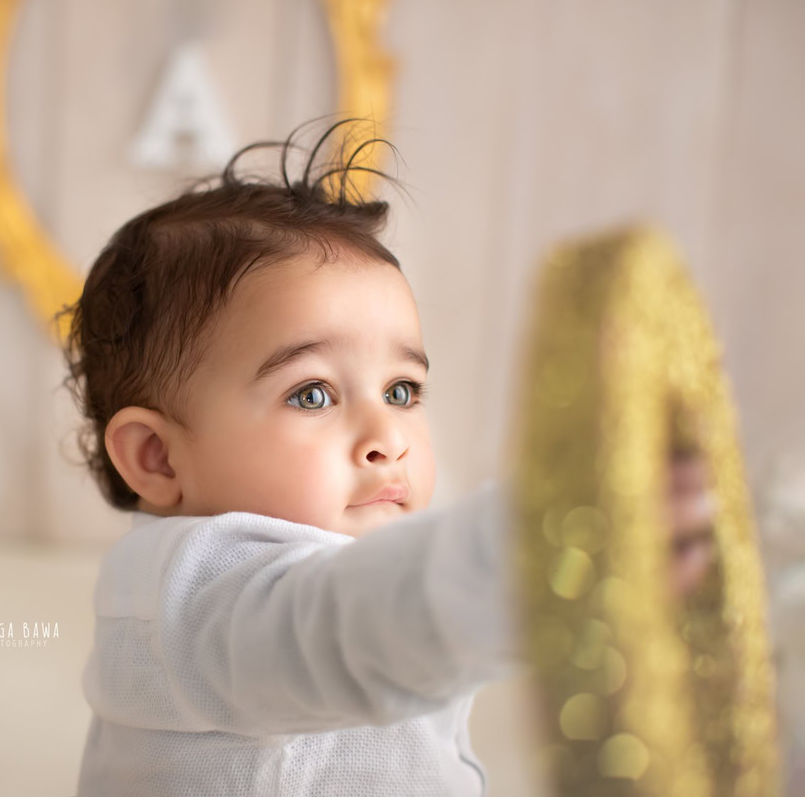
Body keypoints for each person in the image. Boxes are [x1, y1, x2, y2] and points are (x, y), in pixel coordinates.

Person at [56, 119, 718, 796]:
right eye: (311, 394)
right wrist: (543, 533)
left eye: (402, 390)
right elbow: (352, 628)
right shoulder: (194, 597)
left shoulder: (359, 568)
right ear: (159, 459)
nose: (387, 436)